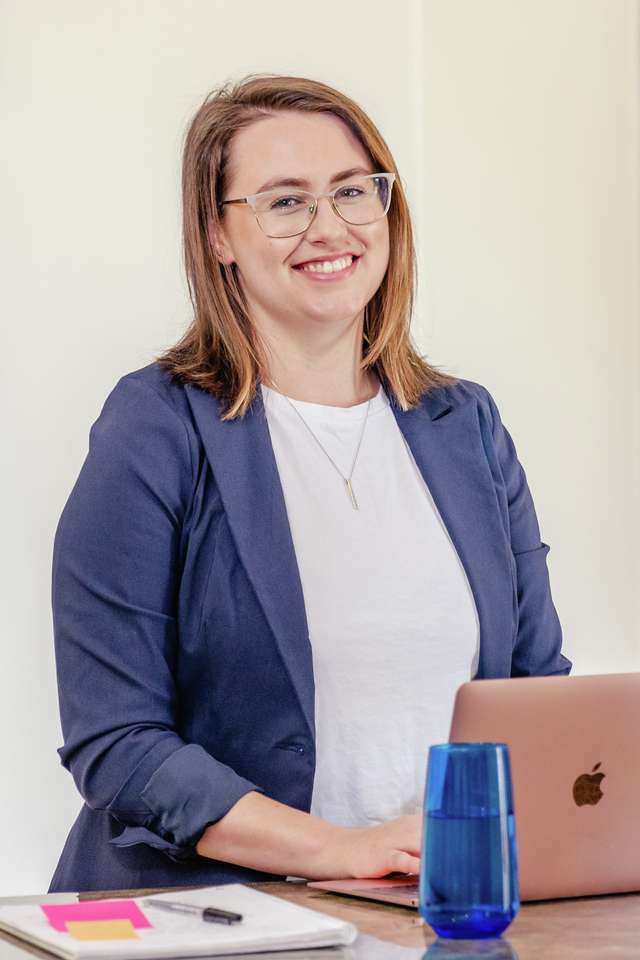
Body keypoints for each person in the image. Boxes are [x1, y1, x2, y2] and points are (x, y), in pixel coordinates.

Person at [49, 74, 571, 893]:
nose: (330, 227)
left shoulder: (465, 426)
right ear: (216, 234)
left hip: (439, 914)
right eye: (284, 202)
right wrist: (340, 850)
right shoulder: (156, 426)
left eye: (352, 192)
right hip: (219, 923)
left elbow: (539, 699)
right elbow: (117, 744)